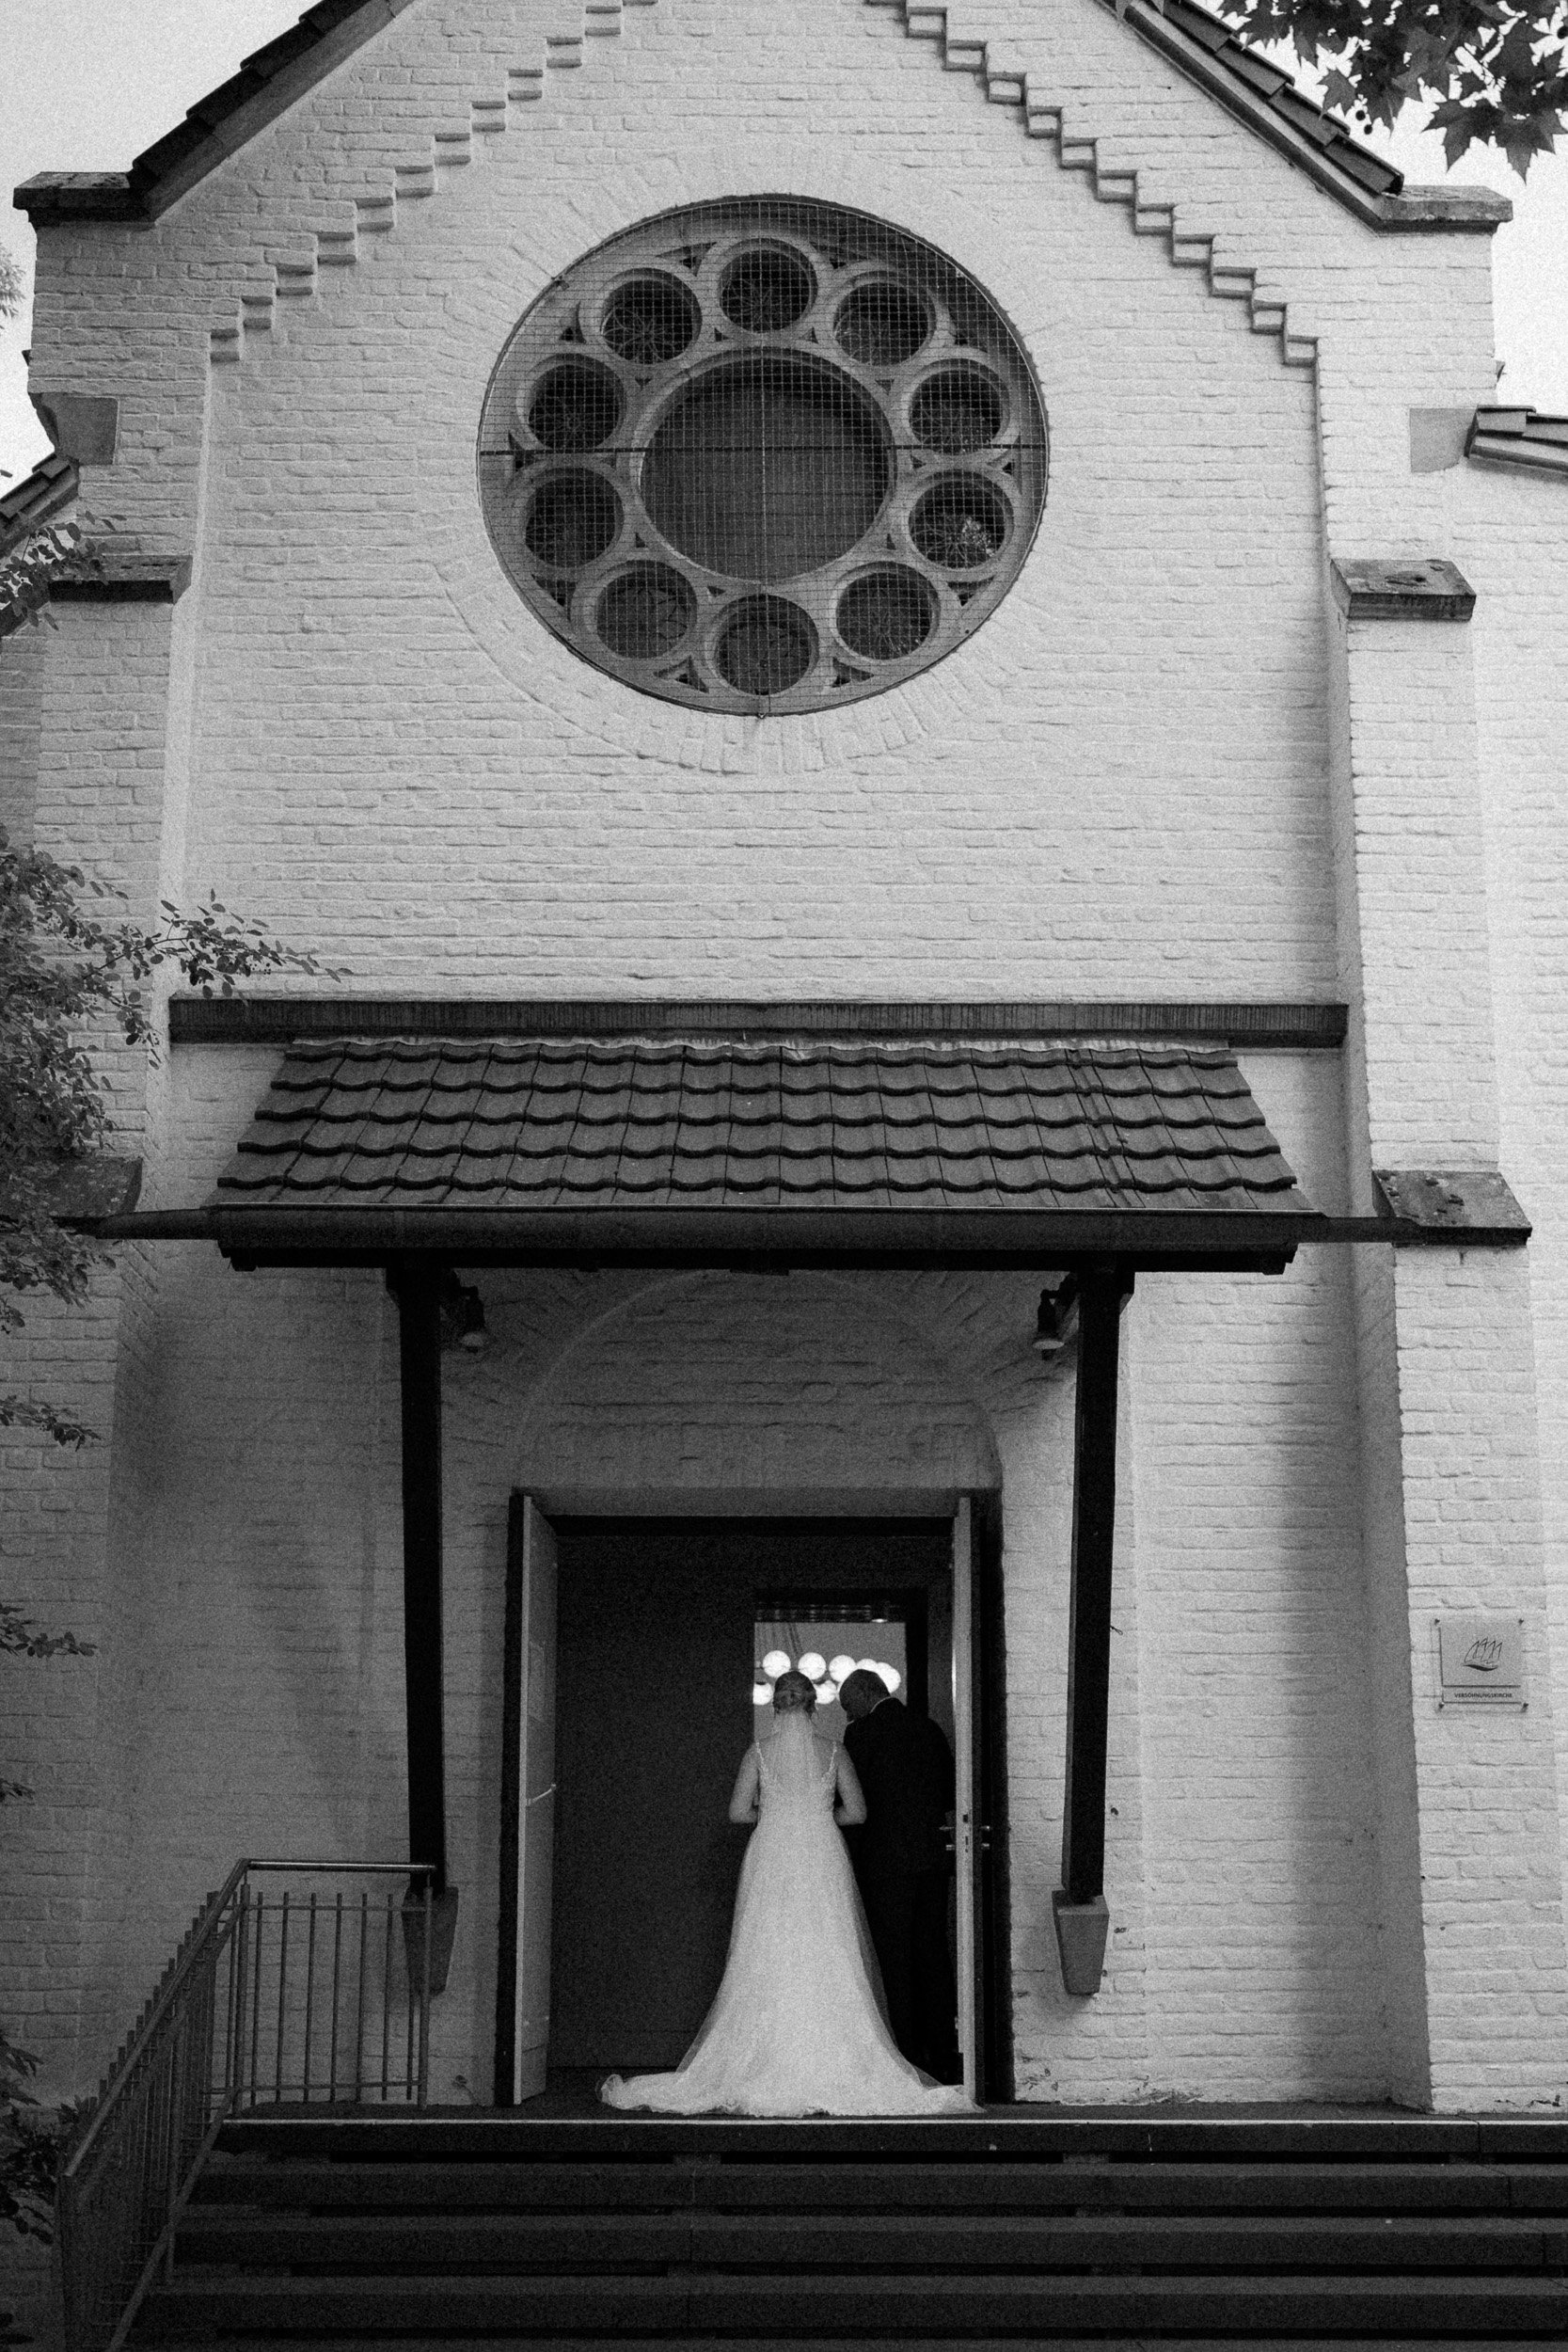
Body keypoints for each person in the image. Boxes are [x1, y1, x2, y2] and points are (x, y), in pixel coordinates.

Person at [598, 1670, 969, 2116]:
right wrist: (816, 1816)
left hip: (773, 1852)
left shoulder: (759, 1751)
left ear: (776, 1704)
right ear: (813, 1704)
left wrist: (776, 1814)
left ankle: (763, 2058)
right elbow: (857, 1812)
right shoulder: (835, 1750)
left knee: (768, 1947)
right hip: (821, 1853)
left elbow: (738, 1812)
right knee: (827, 1948)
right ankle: (844, 2058)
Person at [839, 1667, 961, 2082]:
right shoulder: (929, 1729)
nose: (848, 1715)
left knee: (894, 1958)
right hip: (930, 1860)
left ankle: (905, 2052)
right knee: (933, 1953)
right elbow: (949, 1791)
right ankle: (943, 2051)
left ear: (864, 1694)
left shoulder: (861, 1735)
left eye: (848, 1706)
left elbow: (854, 1802)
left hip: (884, 1865)